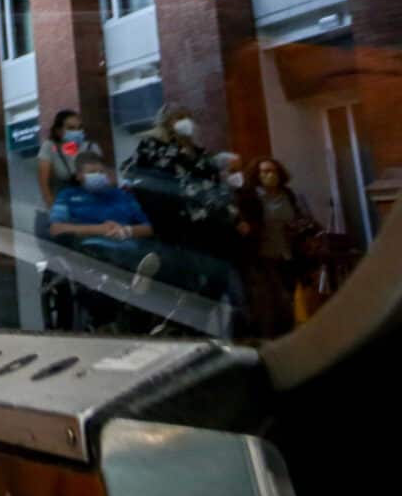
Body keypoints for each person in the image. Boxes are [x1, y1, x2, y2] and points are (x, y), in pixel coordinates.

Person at [124, 102, 240, 298]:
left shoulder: (201, 153)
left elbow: (214, 185)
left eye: (187, 116)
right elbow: (132, 173)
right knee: (184, 278)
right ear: (167, 123)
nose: (185, 121)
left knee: (217, 280)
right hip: (176, 223)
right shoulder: (153, 146)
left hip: (210, 224)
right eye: (178, 117)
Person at [49, 147, 161, 291]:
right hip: (91, 248)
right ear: (79, 175)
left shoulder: (122, 196)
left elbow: (148, 227)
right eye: (92, 173)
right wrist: (99, 229)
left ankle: (139, 278)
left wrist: (125, 231)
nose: (98, 175)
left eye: (101, 172)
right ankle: (133, 281)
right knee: (105, 255)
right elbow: (56, 228)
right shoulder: (67, 196)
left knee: (157, 257)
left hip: (129, 246)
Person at [243, 156, 313, 339]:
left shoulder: (287, 195)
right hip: (263, 255)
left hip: (287, 254)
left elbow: (300, 217)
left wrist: (299, 227)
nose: (269, 175)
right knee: (270, 301)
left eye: (273, 171)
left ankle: (288, 336)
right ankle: (269, 339)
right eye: (265, 171)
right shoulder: (251, 197)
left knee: (288, 298)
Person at [37, 108, 87, 210]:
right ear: (58, 130)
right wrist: (51, 206)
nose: (77, 132)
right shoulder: (49, 147)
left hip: (86, 206)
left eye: (79, 128)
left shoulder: (87, 147)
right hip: (62, 207)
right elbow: (44, 184)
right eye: (71, 128)